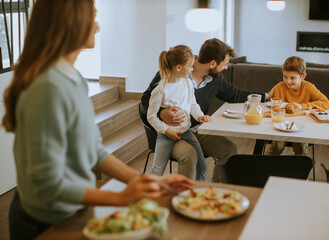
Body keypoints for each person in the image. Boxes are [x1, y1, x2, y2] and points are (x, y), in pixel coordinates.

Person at [2, 1, 192, 239]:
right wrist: (121, 198)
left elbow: (92, 151)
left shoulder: (72, 78)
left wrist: (148, 183)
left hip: (73, 210)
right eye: (93, 17)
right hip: (45, 223)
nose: (98, 26)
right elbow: (46, 185)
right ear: (73, 22)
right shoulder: (48, 87)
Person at [141, 38, 273, 182]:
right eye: (225, 64)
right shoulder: (172, 71)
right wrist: (162, 112)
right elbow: (145, 101)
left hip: (196, 129)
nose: (227, 67)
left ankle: (213, 189)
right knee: (190, 155)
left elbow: (236, 94)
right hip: (169, 132)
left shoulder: (216, 80)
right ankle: (185, 195)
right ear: (212, 63)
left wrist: (266, 96)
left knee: (229, 150)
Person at [148, 45, 211, 181]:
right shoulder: (160, 90)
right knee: (157, 170)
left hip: (186, 132)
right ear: (178, 67)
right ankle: (146, 193)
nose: (192, 69)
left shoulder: (187, 83)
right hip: (166, 136)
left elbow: (192, 104)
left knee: (203, 166)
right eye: (190, 66)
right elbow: (151, 116)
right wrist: (166, 131)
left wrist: (199, 115)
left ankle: (195, 193)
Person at [265, 56, 329, 156]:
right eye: (285, 76)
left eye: (292, 78)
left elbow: (326, 103)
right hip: (282, 126)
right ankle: (264, 168)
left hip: (303, 128)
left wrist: (302, 106)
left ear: (303, 76)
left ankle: (299, 170)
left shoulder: (309, 87)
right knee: (277, 146)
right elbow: (275, 108)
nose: (287, 81)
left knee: (301, 147)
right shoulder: (279, 87)